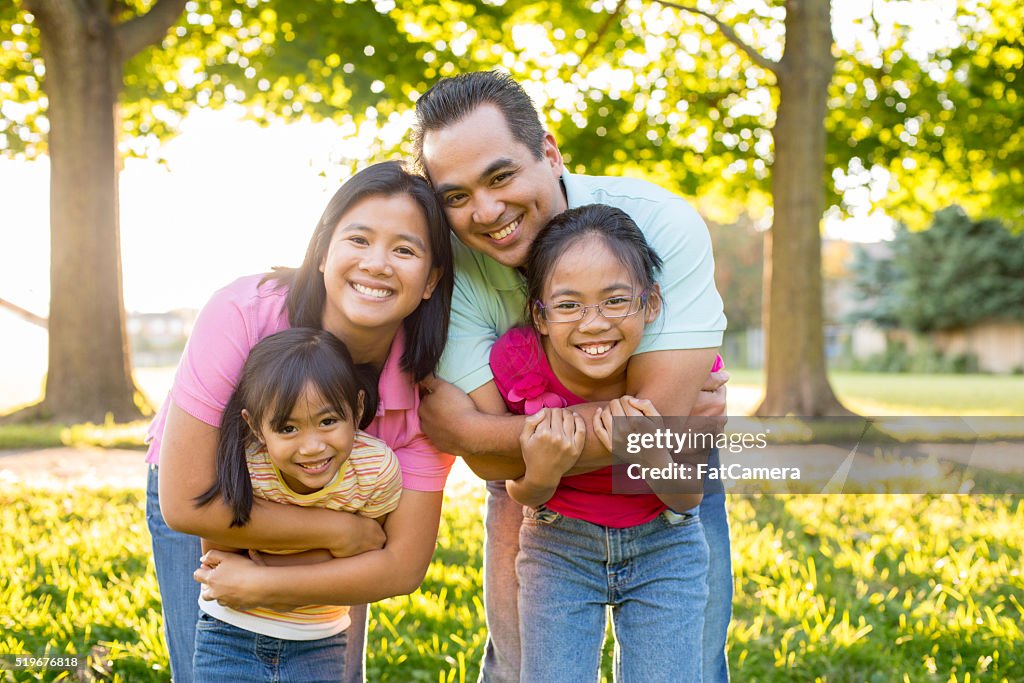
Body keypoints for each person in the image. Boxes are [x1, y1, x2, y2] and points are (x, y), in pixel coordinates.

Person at [412, 71, 732, 682]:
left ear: (550, 153)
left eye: (501, 176)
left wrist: (478, 429)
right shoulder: (448, 274)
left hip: (666, 496)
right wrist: (491, 445)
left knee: (686, 667)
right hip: (541, 507)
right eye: (456, 196)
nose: (486, 211)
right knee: (521, 668)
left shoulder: (659, 224)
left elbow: (653, 436)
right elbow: (497, 468)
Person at [144, 160, 455, 683]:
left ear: (430, 281)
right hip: (212, 497)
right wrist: (341, 532)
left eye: (404, 249)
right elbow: (187, 501)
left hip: (347, 509)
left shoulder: (424, 386)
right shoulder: (244, 311)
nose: (377, 263)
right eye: (358, 239)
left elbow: (401, 565)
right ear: (322, 252)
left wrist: (265, 584)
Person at [491, 204, 711, 681]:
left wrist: (650, 456)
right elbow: (520, 492)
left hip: (665, 545)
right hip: (558, 545)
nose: (594, 323)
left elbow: (689, 497)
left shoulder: (684, 368)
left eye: (615, 301)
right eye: (569, 305)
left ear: (650, 303)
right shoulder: (519, 361)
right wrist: (544, 471)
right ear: (540, 314)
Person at [192, 327, 403, 682]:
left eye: (328, 421)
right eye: (288, 429)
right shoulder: (247, 464)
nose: (311, 447)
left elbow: (369, 551)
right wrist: (326, 555)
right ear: (256, 427)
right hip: (228, 634)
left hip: (320, 641)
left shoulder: (374, 470)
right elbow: (219, 557)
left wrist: (266, 567)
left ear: (358, 407)